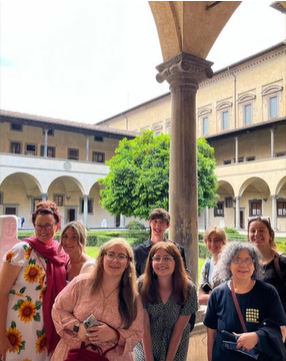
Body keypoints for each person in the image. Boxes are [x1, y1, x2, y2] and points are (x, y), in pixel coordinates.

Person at [51, 238, 144, 361]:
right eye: (111, 254)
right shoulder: (81, 283)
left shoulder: (133, 297)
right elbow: (57, 309)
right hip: (74, 355)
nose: (115, 260)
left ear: (127, 262)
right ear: (102, 257)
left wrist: (114, 335)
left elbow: (136, 333)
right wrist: (77, 328)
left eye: (121, 256)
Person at [0, 201, 66, 361]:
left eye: (48, 225)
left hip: (47, 328)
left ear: (57, 226)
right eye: (39, 226)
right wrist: (1, 335)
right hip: (18, 327)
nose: (43, 230)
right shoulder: (22, 251)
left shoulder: (60, 254)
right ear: (34, 227)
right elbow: (1, 293)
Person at [204, 241, 286, 361]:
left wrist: (257, 337)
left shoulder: (268, 293)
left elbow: (282, 332)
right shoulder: (217, 294)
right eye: (237, 260)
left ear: (254, 264)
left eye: (248, 260)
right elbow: (211, 337)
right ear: (228, 264)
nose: (243, 264)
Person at [133, 241, 198, 361]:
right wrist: (149, 359)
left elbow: (179, 330)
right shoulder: (141, 285)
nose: (161, 262)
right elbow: (144, 326)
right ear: (151, 262)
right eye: (157, 258)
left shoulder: (188, 289)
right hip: (146, 340)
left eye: (167, 258)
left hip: (176, 342)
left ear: (176, 262)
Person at [247, 216, 286, 315]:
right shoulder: (246, 264)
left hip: (279, 324)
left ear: (271, 235)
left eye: (261, 230)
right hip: (256, 324)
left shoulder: (282, 262)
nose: (257, 234)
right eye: (253, 231)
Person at [134, 208, 187, 278]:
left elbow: (183, 274)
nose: (158, 226)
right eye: (155, 221)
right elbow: (135, 278)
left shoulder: (177, 249)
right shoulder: (138, 251)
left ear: (168, 225)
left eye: (161, 222)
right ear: (149, 223)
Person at [198, 226, 227, 305]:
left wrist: (210, 296)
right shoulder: (207, 266)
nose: (212, 244)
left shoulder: (229, 265)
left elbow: (228, 297)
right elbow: (200, 298)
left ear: (223, 242)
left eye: (216, 240)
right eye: (209, 240)